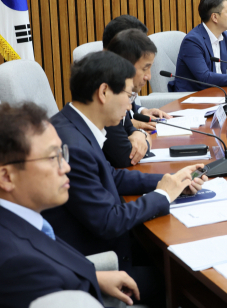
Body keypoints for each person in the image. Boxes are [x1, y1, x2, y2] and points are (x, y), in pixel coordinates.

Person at [43, 51, 206, 306]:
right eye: (129, 96)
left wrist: (172, 182)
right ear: (104, 92)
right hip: (99, 264)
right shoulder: (73, 146)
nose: (131, 107)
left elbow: (112, 177)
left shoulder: (74, 125)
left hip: (110, 246)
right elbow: (109, 221)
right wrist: (162, 195)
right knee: (190, 281)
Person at [0, 102, 141, 307]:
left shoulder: (24, 218)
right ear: (7, 177)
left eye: (62, 154)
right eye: (52, 158)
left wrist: (95, 278)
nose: (66, 167)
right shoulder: (17, 266)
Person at [104, 29, 173, 167]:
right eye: (145, 69)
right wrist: (144, 137)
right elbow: (127, 157)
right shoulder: (109, 101)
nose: (149, 77)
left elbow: (131, 128)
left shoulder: (120, 95)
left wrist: (139, 133)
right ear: (125, 66)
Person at [102, 15, 171, 132]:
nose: (148, 76)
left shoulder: (120, 76)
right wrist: (130, 126)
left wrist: (142, 111)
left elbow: (129, 107)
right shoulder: (104, 83)